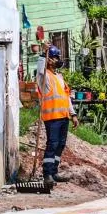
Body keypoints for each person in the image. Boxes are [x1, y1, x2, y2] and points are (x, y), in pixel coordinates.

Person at [36, 44, 74, 191]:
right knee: (52, 144)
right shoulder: (44, 77)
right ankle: (47, 174)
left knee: (61, 144)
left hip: (63, 116)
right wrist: (42, 55)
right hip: (52, 116)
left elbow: (66, 96)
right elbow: (40, 70)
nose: (58, 60)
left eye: (58, 57)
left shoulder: (59, 76)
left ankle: (54, 171)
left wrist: (73, 114)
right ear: (48, 60)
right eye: (55, 57)